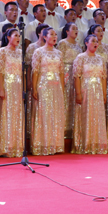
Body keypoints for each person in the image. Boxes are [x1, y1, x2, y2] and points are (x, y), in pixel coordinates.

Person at [31, 27, 66, 155]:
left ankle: (56, 144)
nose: (54, 37)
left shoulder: (59, 53)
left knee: (56, 112)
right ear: (45, 37)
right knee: (44, 113)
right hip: (43, 84)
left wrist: (62, 88)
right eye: (51, 34)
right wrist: (34, 88)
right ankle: (43, 144)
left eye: (56, 35)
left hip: (56, 85)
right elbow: (35, 71)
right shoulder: (38, 52)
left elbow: (61, 72)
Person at [71, 34, 108, 154]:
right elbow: (77, 76)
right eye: (93, 41)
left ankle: (97, 144)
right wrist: (78, 93)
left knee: (97, 116)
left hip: (98, 90)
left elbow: (103, 78)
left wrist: (104, 94)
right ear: (86, 43)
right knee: (85, 115)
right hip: (85, 89)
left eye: (97, 41)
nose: (96, 43)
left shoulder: (100, 59)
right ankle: (85, 144)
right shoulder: (80, 57)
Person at [0, 28, 25, 157]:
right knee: (7, 114)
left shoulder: (21, 52)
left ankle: (17, 147)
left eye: (19, 35)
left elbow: (23, 73)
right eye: (15, 35)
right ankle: (6, 147)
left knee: (18, 115)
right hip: (7, 84)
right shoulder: (2, 51)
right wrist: (1, 89)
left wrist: (24, 89)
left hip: (18, 85)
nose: (18, 38)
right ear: (8, 37)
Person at [58, 22, 82, 138]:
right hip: (66, 72)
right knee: (66, 99)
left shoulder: (79, 45)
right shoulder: (62, 43)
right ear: (67, 31)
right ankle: (63, 129)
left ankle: (73, 129)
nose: (76, 30)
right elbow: (59, 60)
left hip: (77, 74)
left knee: (74, 99)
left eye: (77, 29)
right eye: (73, 28)